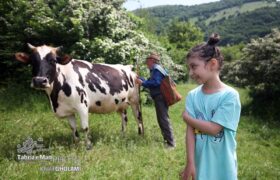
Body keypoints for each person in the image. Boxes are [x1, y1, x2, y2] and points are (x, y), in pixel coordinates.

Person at [180, 33, 241, 180]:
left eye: (194, 67)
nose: (191, 73)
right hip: (199, 164)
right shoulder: (193, 96)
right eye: (189, 68)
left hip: (223, 167)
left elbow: (214, 129)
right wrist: (190, 162)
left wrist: (187, 118)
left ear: (212, 64)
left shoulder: (230, 96)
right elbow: (190, 132)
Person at [136, 53, 175, 148]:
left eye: (147, 60)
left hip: (160, 97)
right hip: (159, 97)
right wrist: (141, 79)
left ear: (152, 60)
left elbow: (156, 83)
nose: (146, 62)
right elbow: (151, 81)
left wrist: (143, 83)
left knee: (163, 119)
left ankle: (170, 143)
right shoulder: (156, 69)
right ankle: (167, 140)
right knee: (162, 119)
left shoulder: (156, 69)